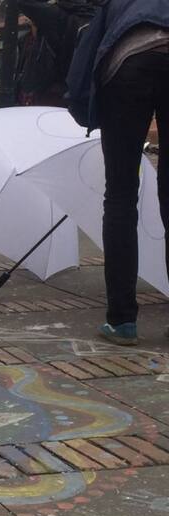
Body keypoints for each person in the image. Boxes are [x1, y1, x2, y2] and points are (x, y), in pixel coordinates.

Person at [67, 0, 169, 345]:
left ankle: (122, 320)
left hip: (127, 64)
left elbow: (88, 49)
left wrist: (84, 106)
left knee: (121, 196)